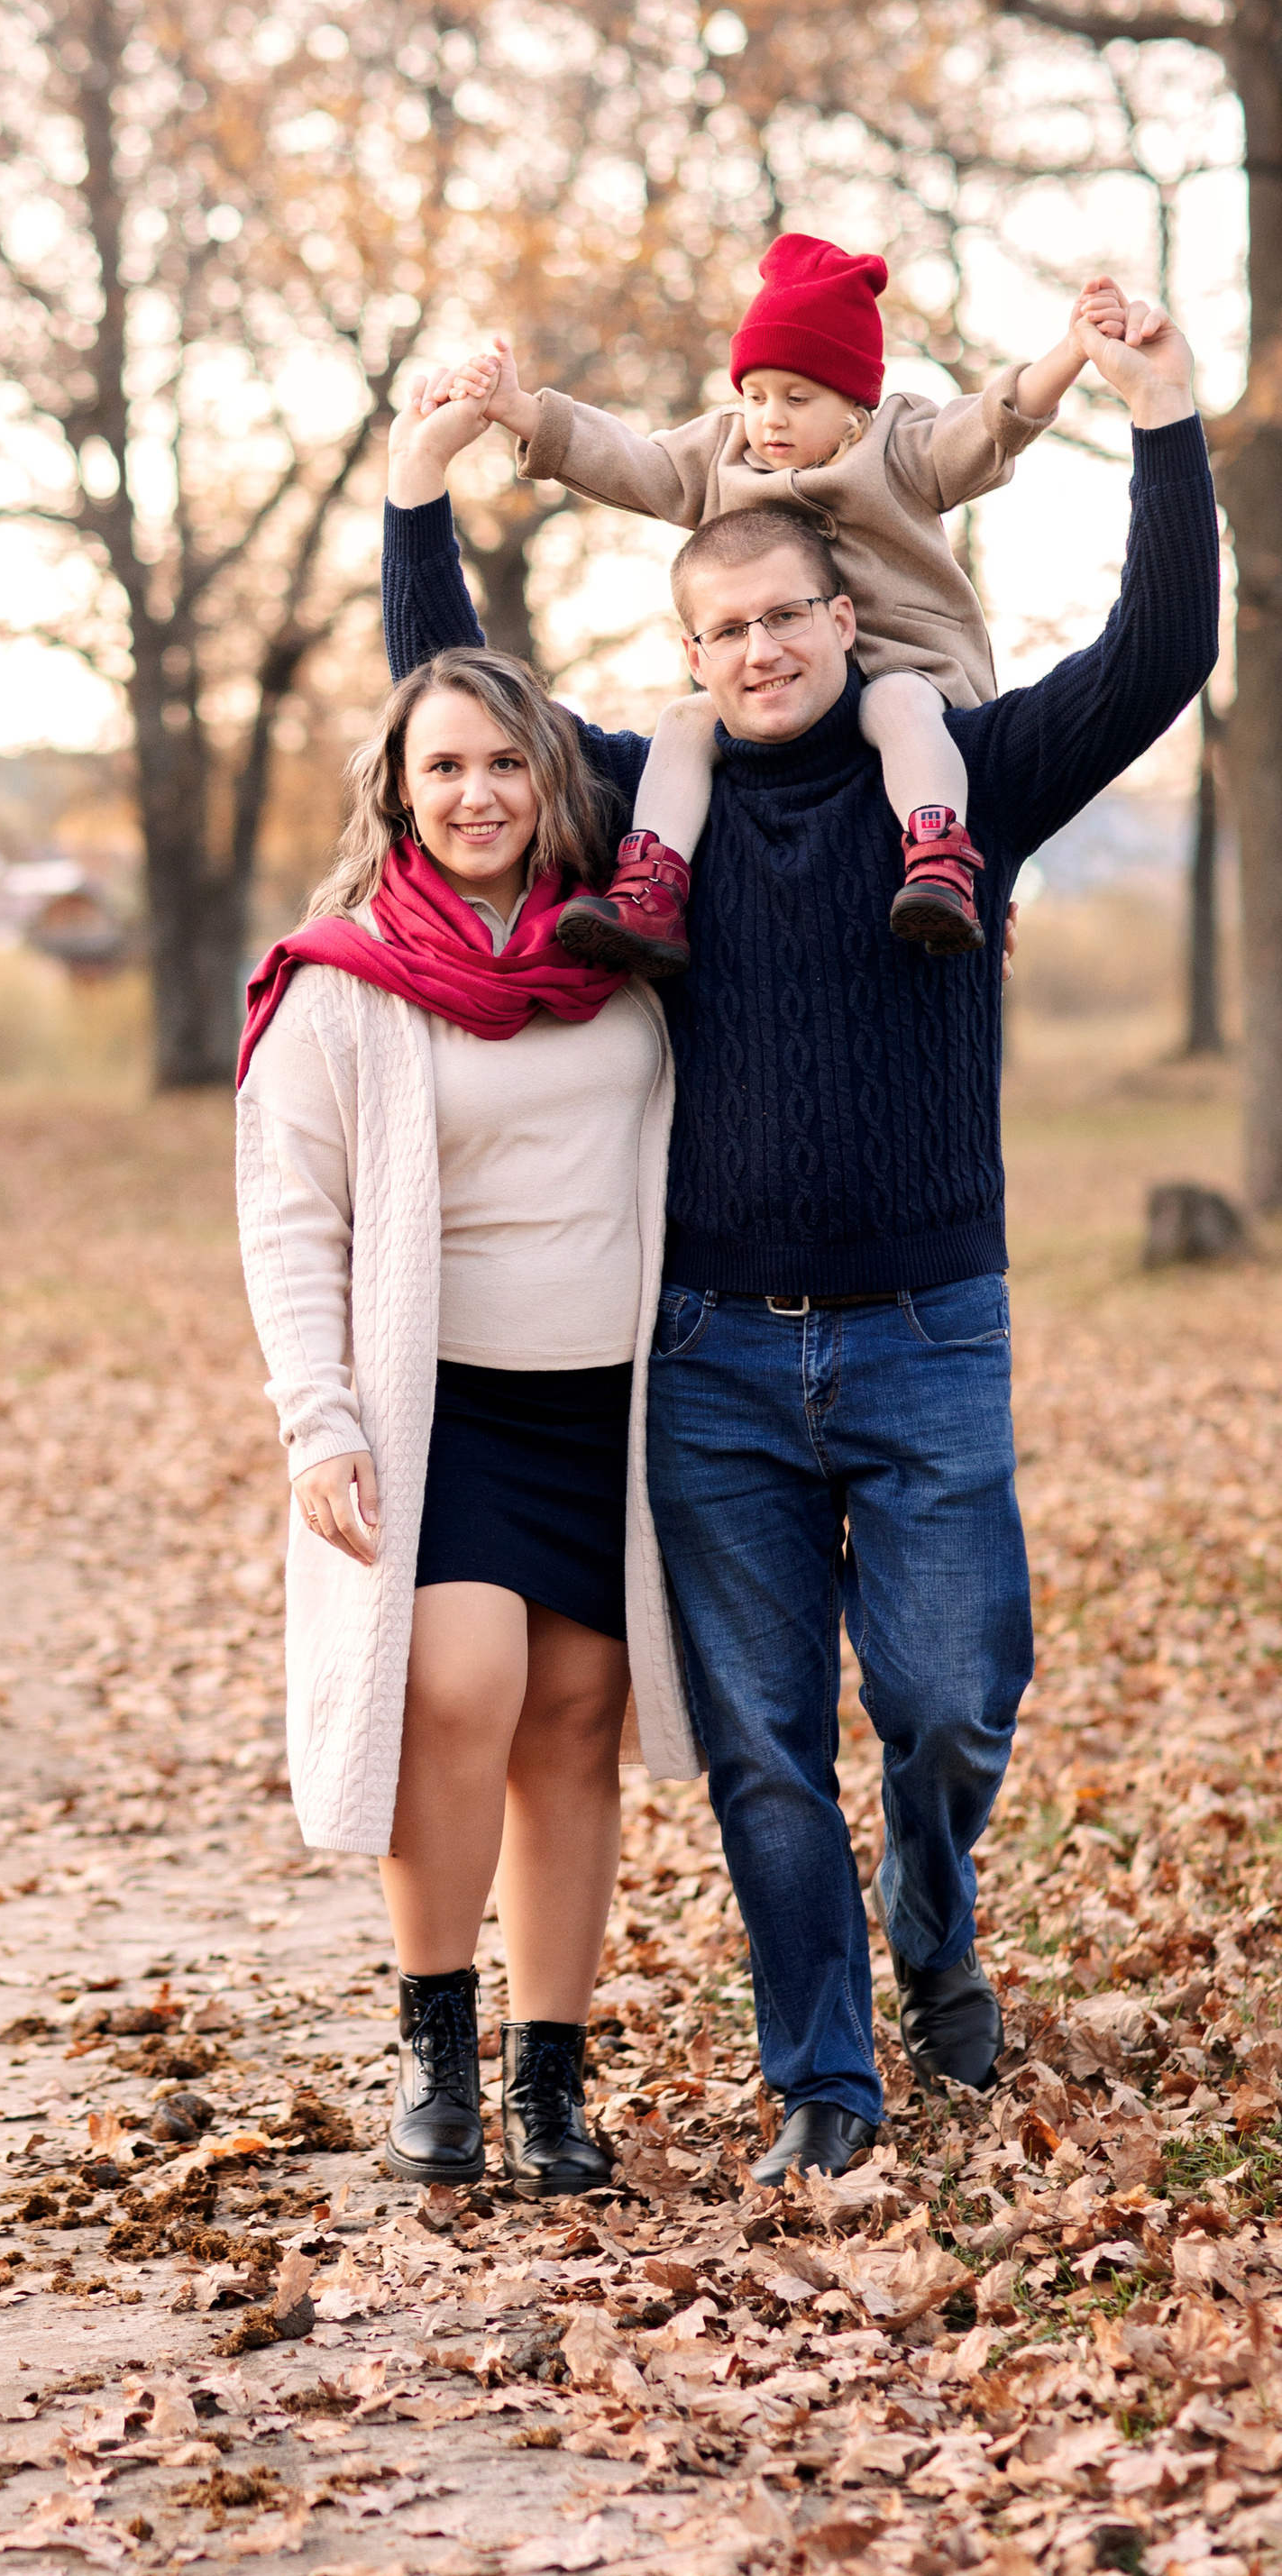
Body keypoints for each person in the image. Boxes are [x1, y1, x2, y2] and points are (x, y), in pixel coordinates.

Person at [381, 299, 1215, 2181]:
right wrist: (415, 496)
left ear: (846, 622)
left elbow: (1155, 654)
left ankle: (932, 1920)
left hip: (928, 1333)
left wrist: (1159, 423)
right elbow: (458, 714)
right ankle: (823, 2091)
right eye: (721, 632)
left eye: (783, 620)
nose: (756, 653)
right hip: (713, 1358)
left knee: (941, 1709)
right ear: (688, 657)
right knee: (761, 1749)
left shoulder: (966, 788)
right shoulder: (633, 819)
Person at [235, 645, 702, 2197]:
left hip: (613, 1410)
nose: (478, 792)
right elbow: (288, 1220)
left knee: (577, 1718)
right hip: (442, 1411)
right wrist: (318, 1419)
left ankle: (551, 2077)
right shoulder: (344, 981)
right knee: (463, 1680)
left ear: (550, 780)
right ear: (399, 791)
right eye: (445, 767)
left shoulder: (625, 952)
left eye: (506, 763)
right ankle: (435, 2048)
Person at [453, 238, 1128, 977]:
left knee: (896, 704)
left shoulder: (898, 446)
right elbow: (632, 461)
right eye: (755, 394)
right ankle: (653, 883)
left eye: (797, 399)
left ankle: (941, 857)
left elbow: (994, 421)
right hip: (772, 682)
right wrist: (520, 411)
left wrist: (1072, 351)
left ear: (852, 405)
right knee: (684, 719)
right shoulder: (723, 457)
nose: (769, 419)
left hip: (912, 666)